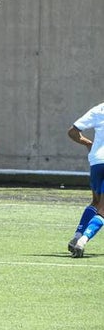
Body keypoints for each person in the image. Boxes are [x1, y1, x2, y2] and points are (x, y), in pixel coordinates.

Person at [65, 102, 104, 257]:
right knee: (103, 209)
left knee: (95, 202)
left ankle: (77, 236)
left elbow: (73, 132)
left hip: (97, 161)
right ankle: (83, 241)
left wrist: (89, 143)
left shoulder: (100, 108)